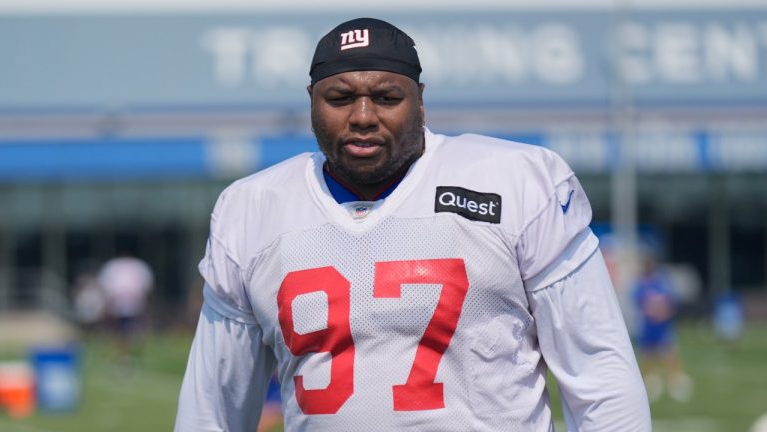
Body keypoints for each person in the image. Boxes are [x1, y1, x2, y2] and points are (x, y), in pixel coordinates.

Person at [175, 17, 651, 431]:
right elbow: (212, 410)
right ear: (311, 100)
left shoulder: (517, 181)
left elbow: (600, 375)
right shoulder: (251, 208)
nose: (363, 116)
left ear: (420, 99)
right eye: (340, 98)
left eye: (386, 96)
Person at [633, 250, 692, 403]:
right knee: (648, 354)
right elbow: (638, 302)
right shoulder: (641, 285)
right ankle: (651, 380)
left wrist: (665, 312)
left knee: (669, 353)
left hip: (663, 326)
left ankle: (675, 380)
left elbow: (672, 302)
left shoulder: (662, 282)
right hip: (648, 326)